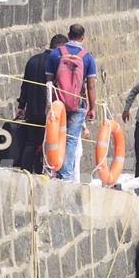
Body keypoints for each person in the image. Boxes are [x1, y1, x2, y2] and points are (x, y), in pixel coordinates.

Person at [45, 24, 97, 181]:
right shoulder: (87, 57)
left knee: (53, 136)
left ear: (68, 35)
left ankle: (52, 170)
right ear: (83, 37)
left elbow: (48, 81)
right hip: (77, 105)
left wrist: (51, 104)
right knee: (71, 139)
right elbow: (91, 86)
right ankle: (66, 175)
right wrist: (92, 108)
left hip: (58, 103)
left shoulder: (55, 54)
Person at [16, 34, 68, 173]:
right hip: (50, 111)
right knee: (49, 143)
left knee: (31, 143)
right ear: (61, 47)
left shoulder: (32, 60)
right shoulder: (57, 62)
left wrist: (21, 107)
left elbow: (25, 86)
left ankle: (25, 171)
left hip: (32, 110)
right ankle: (42, 172)